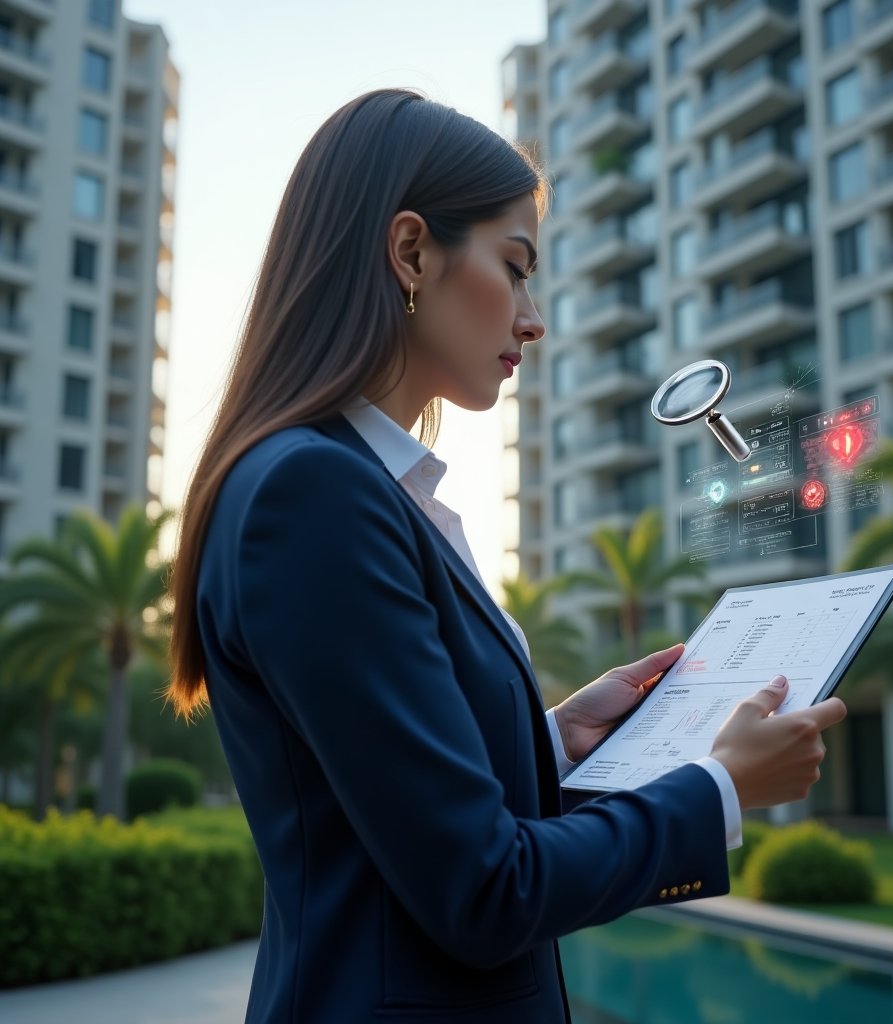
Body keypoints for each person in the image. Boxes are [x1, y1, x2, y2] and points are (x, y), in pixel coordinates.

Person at [169, 88, 846, 1024]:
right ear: (411, 252)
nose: (534, 318)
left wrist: (552, 738)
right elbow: (483, 892)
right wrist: (719, 788)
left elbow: (404, 814)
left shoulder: (366, 487)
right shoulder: (313, 495)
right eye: (515, 267)